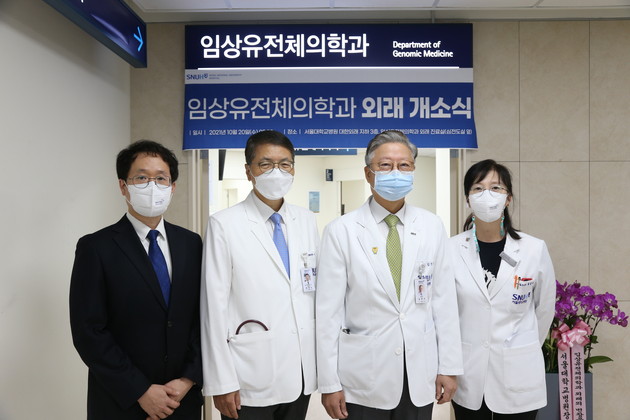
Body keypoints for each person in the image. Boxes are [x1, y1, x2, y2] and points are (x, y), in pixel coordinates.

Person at [316, 130, 463, 420]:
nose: (396, 172)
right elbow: (328, 313)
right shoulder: (341, 231)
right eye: (385, 165)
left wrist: (449, 367)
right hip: (364, 374)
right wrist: (329, 383)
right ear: (368, 173)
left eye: (404, 165)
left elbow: (444, 302)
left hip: (419, 372)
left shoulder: (431, 225)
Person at [69, 140, 203, 420]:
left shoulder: (191, 244)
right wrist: (140, 390)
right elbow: (88, 331)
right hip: (122, 402)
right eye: (141, 178)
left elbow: (202, 318)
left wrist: (189, 378)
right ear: (123, 186)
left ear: (172, 187)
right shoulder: (96, 247)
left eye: (161, 178)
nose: (152, 186)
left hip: (181, 399)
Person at [201, 130, 319, 420]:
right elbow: (213, 307)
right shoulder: (224, 224)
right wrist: (221, 381)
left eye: (285, 164)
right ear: (248, 171)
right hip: (248, 374)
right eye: (265, 164)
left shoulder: (306, 220)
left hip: (301, 370)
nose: (277, 172)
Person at [449, 159, 556, 419]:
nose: (487, 195)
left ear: (508, 199)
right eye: (478, 188)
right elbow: (444, 314)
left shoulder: (533, 249)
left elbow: (544, 309)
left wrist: (522, 346)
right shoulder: (450, 250)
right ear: (467, 199)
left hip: (519, 370)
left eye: (496, 188)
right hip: (469, 372)